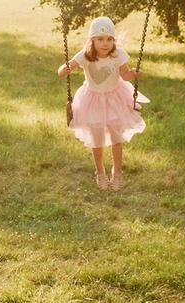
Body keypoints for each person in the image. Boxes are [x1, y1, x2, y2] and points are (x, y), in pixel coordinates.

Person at [58, 16, 146, 190]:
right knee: (96, 140)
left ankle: (117, 173)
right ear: (92, 40)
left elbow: (125, 75)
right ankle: (100, 173)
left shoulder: (118, 54)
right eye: (100, 39)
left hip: (115, 98)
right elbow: (62, 70)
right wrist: (64, 70)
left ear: (114, 40)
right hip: (92, 100)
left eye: (109, 39)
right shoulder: (84, 55)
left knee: (116, 138)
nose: (105, 43)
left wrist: (134, 74)